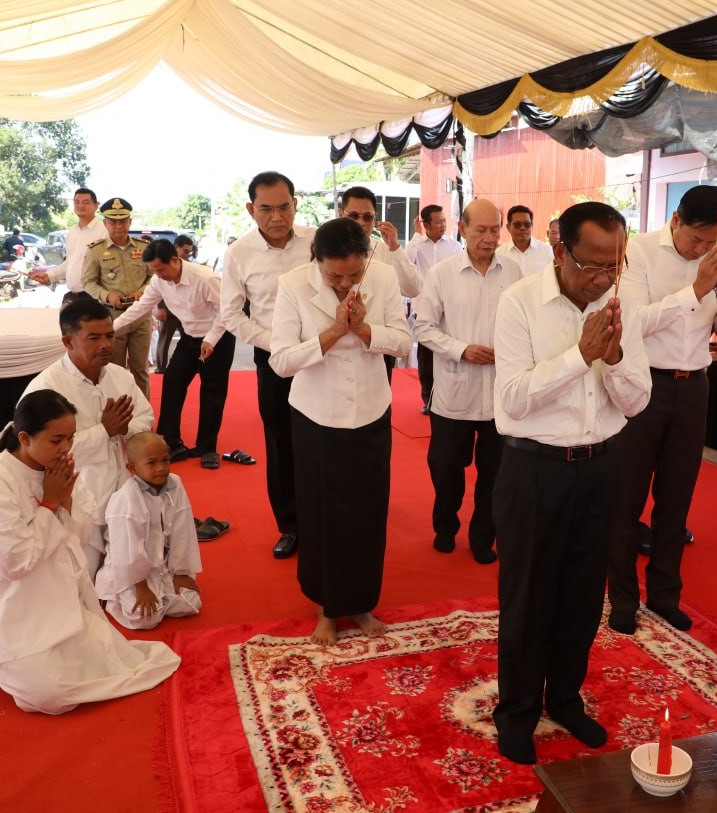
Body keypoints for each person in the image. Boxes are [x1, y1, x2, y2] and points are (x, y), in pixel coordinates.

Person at [492, 201, 651, 765]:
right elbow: (513, 399)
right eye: (593, 265)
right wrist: (579, 357)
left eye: (615, 265)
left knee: (584, 597)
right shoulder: (519, 303)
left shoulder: (620, 304)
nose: (605, 278)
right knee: (528, 599)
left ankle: (563, 699)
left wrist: (615, 356)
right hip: (534, 470)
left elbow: (636, 401)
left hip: (601, 467)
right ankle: (516, 713)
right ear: (561, 250)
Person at [0, 389, 180, 714]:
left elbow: (82, 534)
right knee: (51, 696)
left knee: (116, 661)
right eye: (56, 440)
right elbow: (14, 564)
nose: (66, 448)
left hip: (57, 598)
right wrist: (50, 503)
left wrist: (65, 499)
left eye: (70, 438)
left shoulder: (57, 469)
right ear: (25, 438)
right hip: (5, 607)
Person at [609, 185, 717, 636]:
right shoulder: (640, 251)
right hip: (643, 383)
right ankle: (622, 598)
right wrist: (696, 289)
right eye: (695, 239)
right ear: (676, 221)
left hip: (694, 387)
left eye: (713, 241)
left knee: (676, 499)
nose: (702, 249)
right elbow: (635, 322)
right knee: (626, 498)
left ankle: (665, 595)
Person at [270, 217, 412, 647]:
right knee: (322, 515)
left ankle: (361, 602)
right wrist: (334, 332)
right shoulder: (293, 284)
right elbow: (281, 361)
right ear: (318, 260)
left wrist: (365, 329)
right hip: (317, 414)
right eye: (335, 276)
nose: (346, 282)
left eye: (354, 274)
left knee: (368, 512)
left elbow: (403, 342)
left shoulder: (382, 277)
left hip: (371, 408)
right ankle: (327, 607)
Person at [413, 199, 521, 563]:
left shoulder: (514, 272)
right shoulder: (442, 274)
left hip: (499, 395)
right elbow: (423, 328)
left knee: (495, 474)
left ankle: (483, 537)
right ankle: (445, 525)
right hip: (454, 394)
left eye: (495, 230)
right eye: (481, 230)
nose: (489, 238)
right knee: (445, 467)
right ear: (463, 229)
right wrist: (462, 350)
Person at [22, 295, 154, 576]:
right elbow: (41, 452)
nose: (106, 345)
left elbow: (145, 418)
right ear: (68, 342)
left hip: (123, 490)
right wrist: (104, 431)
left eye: (110, 336)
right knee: (83, 580)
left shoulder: (120, 376)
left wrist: (124, 429)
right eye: (94, 338)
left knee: (128, 577)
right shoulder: (46, 388)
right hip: (77, 499)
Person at [221, 171, 315, 559]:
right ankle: (290, 525)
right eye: (266, 209)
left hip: (319, 355)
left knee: (322, 438)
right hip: (273, 358)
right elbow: (231, 314)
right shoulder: (239, 253)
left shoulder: (314, 242)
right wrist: (274, 343)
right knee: (281, 441)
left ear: (295, 205)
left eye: (284, 207)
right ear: (251, 209)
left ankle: (322, 519)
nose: (277, 217)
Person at [112, 239, 233, 468]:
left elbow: (227, 312)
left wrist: (210, 339)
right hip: (189, 337)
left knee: (211, 392)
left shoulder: (205, 278)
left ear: (175, 260)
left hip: (217, 338)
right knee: (172, 381)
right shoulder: (159, 281)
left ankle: (207, 447)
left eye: (161, 269)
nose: (158, 275)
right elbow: (141, 307)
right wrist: (112, 328)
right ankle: (171, 441)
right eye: (154, 271)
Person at [95, 432, 203, 630]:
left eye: (165, 460)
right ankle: (117, 598)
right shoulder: (126, 498)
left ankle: (164, 598)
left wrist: (180, 572)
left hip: (163, 564)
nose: (161, 468)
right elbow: (126, 550)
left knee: (191, 603)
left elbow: (183, 529)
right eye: (152, 463)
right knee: (144, 618)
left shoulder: (176, 484)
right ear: (132, 468)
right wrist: (140, 586)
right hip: (131, 571)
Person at [337, 186, 422, 381]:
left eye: (367, 217)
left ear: (375, 219)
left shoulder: (386, 251)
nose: (361, 222)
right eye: (354, 216)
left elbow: (413, 289)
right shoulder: (325, 251)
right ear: (341, 215)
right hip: (335, 345)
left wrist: (395, 248)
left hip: (377, 345)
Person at [82, 198, 152, 398]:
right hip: (112, 318)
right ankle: (118, 410)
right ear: (105, 223)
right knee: (114, 369)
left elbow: (154, 276)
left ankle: (143, 411)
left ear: (130, 222)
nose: (118, 226)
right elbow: (88, 282)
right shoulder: (96, 250)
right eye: (113, 222)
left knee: (140, 368)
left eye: (123, 221)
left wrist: (142, 292)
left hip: (140, 316)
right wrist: (108, 296)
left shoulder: (144, 248)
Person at [410, 204, 461, 414]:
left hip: (450, 309)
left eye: (444, 221)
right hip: (424, 307)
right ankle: (428, 399)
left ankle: (449, 398)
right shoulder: (417, 245)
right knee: (426, 358)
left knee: (450, 353)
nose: (442, 225)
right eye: (438, 222)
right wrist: (416, 235)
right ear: (426, 224)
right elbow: (405, 261)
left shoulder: (454, 246)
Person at [31, 188, 108, 292]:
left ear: (96, 206)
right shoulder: (73, 231)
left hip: (95, 295)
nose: (80, 205)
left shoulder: (104, 230)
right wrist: (50, 275)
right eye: (77, 202)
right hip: (73, 294)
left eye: (86, 202)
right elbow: (70, 262)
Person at [151, 234, 195, 372]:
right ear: (176, 247)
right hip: (168, 311)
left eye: (189, 252)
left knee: (190, 339)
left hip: (186, 311)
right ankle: (161, 368)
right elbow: (157, 289)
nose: (187, 254)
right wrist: (160, 308)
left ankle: (192, 366)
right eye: (185, 251)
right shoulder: (162, 262)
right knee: (164, 340)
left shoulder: (190, 266)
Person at [497, 205, 555, 276]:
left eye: (527, 224)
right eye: (517, 225)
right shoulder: (499, 254)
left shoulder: (547, 252)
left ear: (532, 226)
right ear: (508, 227)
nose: (522, 228)